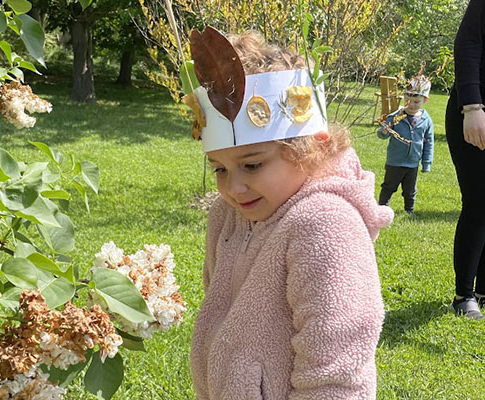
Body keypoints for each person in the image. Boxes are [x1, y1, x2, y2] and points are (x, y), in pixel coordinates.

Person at [182, 28, 394, 399]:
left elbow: (336, 374)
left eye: (251, 166)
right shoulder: (227, 216)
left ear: (312, 146)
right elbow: (218, 305)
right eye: (219, 169)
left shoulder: (326, 226)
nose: (233, 188)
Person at [446, 0, 485, 320]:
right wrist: (472, 107)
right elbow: (468, 43)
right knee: (480, 201)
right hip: (474, 113)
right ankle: (464, 294)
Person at [376, 74, 434, 218]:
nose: (411, 104)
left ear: (425, 100)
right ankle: (382, 209)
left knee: (410, 190)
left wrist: (426, 163)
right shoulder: (396, 116)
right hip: (395, 161)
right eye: (408, 100)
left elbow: (429, 142)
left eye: (416, 101)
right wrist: (384, 131)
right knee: (389, 186)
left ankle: (409, 210)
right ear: (404, 96)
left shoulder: (426, 120)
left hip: (413, 163)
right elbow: (383, 134)